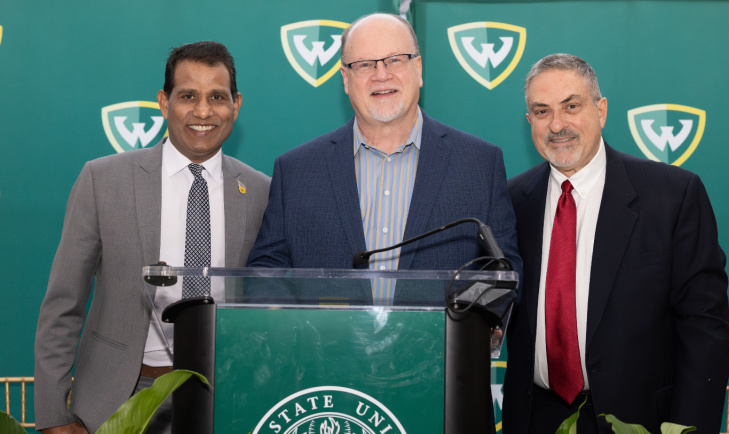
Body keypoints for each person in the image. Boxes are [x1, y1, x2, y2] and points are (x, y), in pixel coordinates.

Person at [34, 41, 270, 433]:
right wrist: (55, 417)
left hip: (227, 397)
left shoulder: (262, 192)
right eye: (187, 96)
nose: (203, 111)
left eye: (217, 97)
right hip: (121, 398)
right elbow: (63, 306)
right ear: (164, 102)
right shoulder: (102, 180)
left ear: (236, 105)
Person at [502, 53, 729, 433]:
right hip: (533, 419)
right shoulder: (511, 201)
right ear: (529, 121)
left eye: (571, 106)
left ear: (601, 110)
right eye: (541, 112)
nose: (557, 124)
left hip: (640, 420)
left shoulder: (672, 196)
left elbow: (706, 329)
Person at [247, 13, 522, 291]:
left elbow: (502, 268)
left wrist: (471, 322)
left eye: (394, 60)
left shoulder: (479, 164)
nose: (381, 75)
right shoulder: (296, 171)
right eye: (364, 64)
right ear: (345, 78)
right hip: (328, 336)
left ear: (418, 69)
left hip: (438, 335)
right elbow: (267, 268)